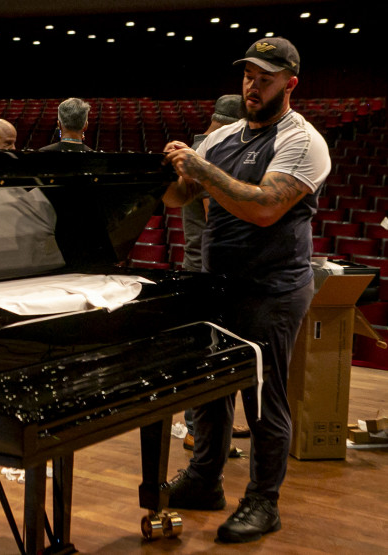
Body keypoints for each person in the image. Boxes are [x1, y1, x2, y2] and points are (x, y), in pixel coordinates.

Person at [162, 37, 330, 544]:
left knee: (263, 397)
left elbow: (263, 207)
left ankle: (263, 501)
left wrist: (201, 168)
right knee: (209, 391)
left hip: (273, 288)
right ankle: (203, 480)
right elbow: (179, 198)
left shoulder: (302, 140)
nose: (253, 85)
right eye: (248, 76)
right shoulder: (223, 138)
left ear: (290, 84)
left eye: (266, 77)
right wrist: (170, 172)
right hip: (219, 284)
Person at [181, 94, 248, 455]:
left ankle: (212, 425)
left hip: (203, 263)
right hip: (203, 266)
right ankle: (197, 430)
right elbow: (216, 214)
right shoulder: (208, 152)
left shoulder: (200, 148)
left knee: (216, 350)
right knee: (206, 353)